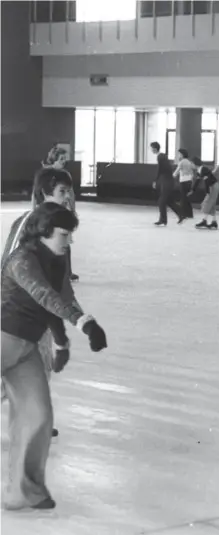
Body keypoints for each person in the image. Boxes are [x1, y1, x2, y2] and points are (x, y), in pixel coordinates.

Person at [1, 202, 107, 511]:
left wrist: (63, 343)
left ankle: (23, 492)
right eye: (64, 234)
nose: (69, 241)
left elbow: (62, 298)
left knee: (39, 416)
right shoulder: (22, 260)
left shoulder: (57, 260)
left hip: (25, 349)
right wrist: (84, 323)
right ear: (44, 232)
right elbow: (44, 296)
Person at [2, 168, 79, 438]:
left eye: (69, 191)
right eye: (62, 191)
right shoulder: (29, 222)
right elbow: (11, 264)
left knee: (41, 364)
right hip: (18, 310)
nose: (67, 196)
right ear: (45, 192)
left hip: (42, 310)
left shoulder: (58, 224)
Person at [36, 146, 79, 282]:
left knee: (65, 241)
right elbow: (35, 194)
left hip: (63, 211)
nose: (64, 162)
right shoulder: (45, 175)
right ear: (54, 160)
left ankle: (67, 272)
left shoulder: (66, 175)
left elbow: (71, 195)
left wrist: (72, 209)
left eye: (65, 159)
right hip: (48, 212)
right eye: (61, 159)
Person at [150, 141, 181, 226]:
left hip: (167, 181)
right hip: (167, 181)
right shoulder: (162, 156)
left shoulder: (160, 156)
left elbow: (160, 170)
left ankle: (163, 220)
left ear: (155, 148)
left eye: (151, 148)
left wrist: (155, 180)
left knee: (161, 201)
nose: (151, 150)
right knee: (169, 201)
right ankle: (181, 214)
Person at [192, 157, 219, 230]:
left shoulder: (203, 169)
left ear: (195, 164)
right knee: (212, 204)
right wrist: (192, 190)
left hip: (213, 186)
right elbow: (197, 181)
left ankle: (204, 220)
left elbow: (207, 180)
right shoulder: (199, 170)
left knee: (207, 202)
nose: (191, 165)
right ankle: (214, 222)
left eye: (192, 163)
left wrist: (207, 192)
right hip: (213, 186)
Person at [173, 148, 195, 221]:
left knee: (183, 198)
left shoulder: (181, 162)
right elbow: (193, 170)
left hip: (183, 181)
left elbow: (176, 172)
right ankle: (189, 214)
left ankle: (183, 214)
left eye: (179, 154)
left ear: (182, 154)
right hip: (189, 181)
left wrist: (171, 176)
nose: (178, 155)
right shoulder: (189, 162)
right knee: (186, 198)